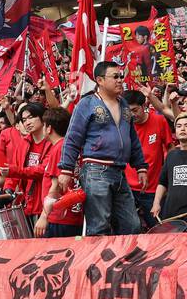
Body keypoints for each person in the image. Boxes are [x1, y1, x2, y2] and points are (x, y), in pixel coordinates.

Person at [59, 61, 147, 236]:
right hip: (95, 170)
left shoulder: (123, 105)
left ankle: (123, 261)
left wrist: (141, 166)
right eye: (115, 77)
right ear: (99, 80)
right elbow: (73, 137)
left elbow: (132, 138)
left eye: (121, 76)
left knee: (132, 225)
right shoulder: (87, 103)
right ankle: (100, 263)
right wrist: (66, 169)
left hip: (119, 172)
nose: (120, 80)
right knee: (99, 227)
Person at [126, 89, 172, 229]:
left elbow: (170, 148)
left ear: (144, 106)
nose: (132, 115)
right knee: (129, 229)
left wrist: (166, 176)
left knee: (158, 228)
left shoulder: (159, 120)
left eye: (135, 110)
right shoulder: (123, 125)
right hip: (128, 189)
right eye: (128, 112)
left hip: (153, 189)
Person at [35, 108, 83, 238]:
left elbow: (55, 186)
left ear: (49, 128)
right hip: (72, 215)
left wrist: (44, 216)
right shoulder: (69, 146)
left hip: (59, 217)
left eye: (44, 125)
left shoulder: (59, 148)